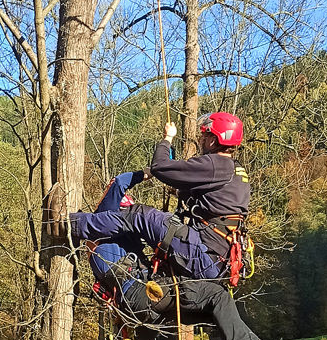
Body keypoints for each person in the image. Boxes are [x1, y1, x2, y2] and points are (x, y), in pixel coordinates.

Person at [83, 169, 313, 340]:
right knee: (218, 297)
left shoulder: (114, 244)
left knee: (216, 312)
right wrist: (155, 170)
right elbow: (119, 182)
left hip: (144, 301)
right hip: (143, 292)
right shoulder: (103, 219)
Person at [72, 112, 250, 282]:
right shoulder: (237, 172)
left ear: (213, 140)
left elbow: (160, 166)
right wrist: (180, 190)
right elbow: (211, 203)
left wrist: (167, 138)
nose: (201, 140)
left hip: (203, 253)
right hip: (219, 260)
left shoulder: (215, 164)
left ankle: (72, 224)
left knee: (139, 216)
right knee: (154, 223)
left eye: (204, 137)